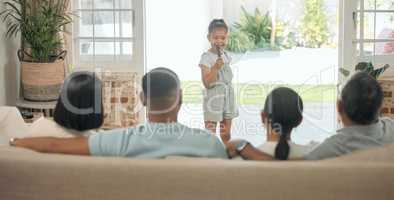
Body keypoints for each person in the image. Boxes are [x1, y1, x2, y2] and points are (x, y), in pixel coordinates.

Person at [9, 68, 228, 159]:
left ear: (142, 99)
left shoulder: (116, 141)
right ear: (180, 98)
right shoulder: (210, 144)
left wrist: (14, 141)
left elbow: (55, 146)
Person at [227, 72, 394, 160]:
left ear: (339, 107)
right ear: (380, 108)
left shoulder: (331, 150)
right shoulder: (390, 131)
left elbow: (283, 169)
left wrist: (245, 148)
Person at [199, 19, 238, 143]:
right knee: (210, 134)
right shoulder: (206, 58)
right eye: (216, 38)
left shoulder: (226, 55)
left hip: (228, 98)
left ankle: (226, 155)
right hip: (213, 98)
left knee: (226, 133)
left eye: (223, 38)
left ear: (227, 38)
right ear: (209, 38)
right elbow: (207, 83)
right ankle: (210, 157)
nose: (219, 41)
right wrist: (215, 67)